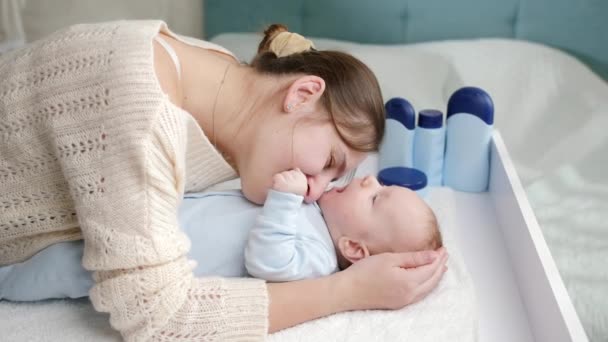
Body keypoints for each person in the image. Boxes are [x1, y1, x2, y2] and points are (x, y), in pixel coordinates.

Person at [0, 20, 448, 341]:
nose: (317, 188)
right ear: (302, 93)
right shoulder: (141, 112)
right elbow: (158, 318)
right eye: (329, 160)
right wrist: (348, 290)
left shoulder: (217, 72)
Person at [0, 171, 444, 301]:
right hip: (146, 214)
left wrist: (286, 201)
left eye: (376, 198)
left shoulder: (316, 258)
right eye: (382, 183)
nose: (368, 180)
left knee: (54, 269)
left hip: (128, 259)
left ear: (353, 248)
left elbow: (266, 263)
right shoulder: (312, 204)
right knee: (52, 219)